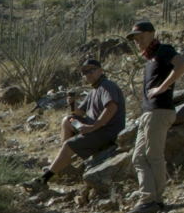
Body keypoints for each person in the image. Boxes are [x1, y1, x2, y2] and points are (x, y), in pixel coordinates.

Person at [22, 59, 126, 193]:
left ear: (101, 70)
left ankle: (43, 180)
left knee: (69, 144)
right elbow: (80, 112)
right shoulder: (94, 90)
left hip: (106, 133)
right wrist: (73, 103)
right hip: (94, 130)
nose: (88, 74)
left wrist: (93, 127)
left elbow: (111, 107)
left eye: (92, 70)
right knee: (67, 120)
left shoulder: (107, 86)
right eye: (85, 72)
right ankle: (64, 162)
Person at [124, 21, 184, 213]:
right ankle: (152, 199)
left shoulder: (163, 51)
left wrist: (162, 87)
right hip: (150, 113)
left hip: (159, 111)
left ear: (152, 33)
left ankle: (151, 201)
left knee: (153, 156)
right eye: (135, 39)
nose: (138, 41)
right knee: (139, 158)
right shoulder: (151, 57)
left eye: (141, 36)